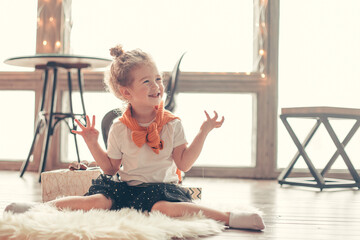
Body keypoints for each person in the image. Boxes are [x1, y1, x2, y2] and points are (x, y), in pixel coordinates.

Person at [5, 45, 265, 231]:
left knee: (162, 209)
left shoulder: (173, 124)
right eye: (147, 82)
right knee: (94, 202)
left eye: (158, 79)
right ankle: (36, 209)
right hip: (125, 188)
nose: (157, 87)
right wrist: (92, 141)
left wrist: (203, 131)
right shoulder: (119, 126)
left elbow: (183, 164)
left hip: (160, 190)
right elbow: (109, 168)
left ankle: (229, 216)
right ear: (126, 92)